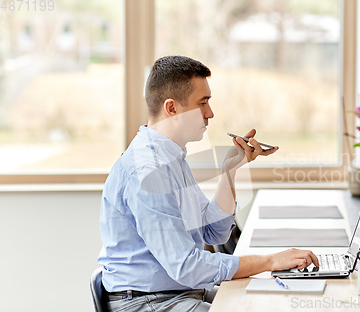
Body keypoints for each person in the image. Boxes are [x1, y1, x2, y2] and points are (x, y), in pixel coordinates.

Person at [98, 55, 319, 312]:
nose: (210, 113)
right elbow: (186, 266)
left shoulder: (171, 157)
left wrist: (230, 172)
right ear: (172, 109)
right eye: (202, 103)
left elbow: (213, 232)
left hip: (179, 291)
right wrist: (270, 260)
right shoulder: (148, 170)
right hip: (149, 302)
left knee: (267, 301)